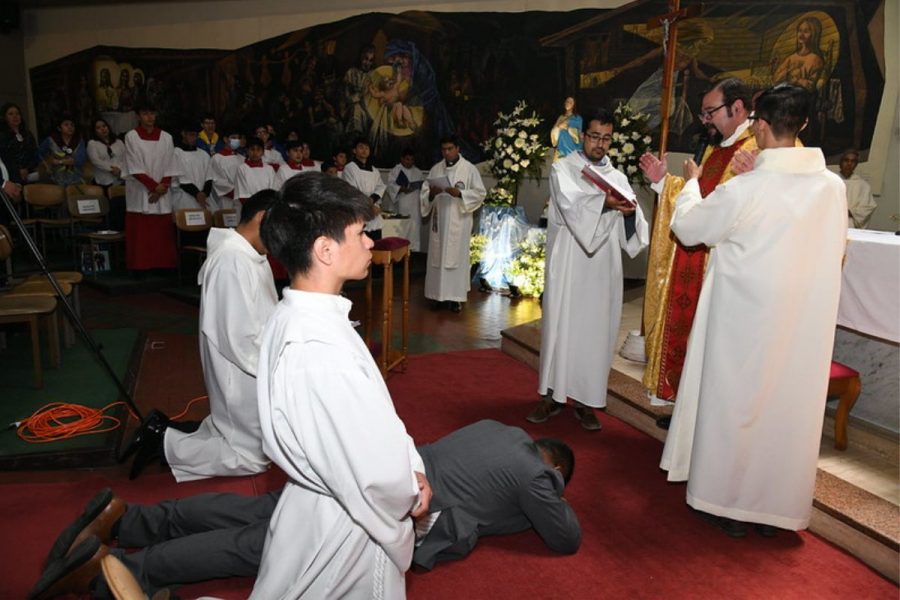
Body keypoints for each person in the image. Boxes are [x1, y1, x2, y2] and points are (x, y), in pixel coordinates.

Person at [30, 420, 579, 599]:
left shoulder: (497, 431)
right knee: (259, 546)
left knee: (252, 513)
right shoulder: (536, 475)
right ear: (552, 470)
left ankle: (127, 521)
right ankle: (122, 575)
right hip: (386, 505)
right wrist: (551, 492)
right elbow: (565, 538)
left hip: (363, 468)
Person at [660, 84, 847, 537]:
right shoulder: (832, 188)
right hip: (801, 324)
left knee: (735, 408)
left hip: (743, 322)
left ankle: (722, 502)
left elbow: (688, 229)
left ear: (759, 125)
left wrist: (690, 186)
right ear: (803, 125)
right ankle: (775, 511)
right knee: (785, 410)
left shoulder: (748, 187)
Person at [247, 172, 430, 599]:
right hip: (346, 522)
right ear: (325, 249)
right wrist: (408, 487)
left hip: (330, 506)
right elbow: (366, 468)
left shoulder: (309, 315)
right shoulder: (315, 345)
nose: (370, 242)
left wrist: (412, 461)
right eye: (360, 232)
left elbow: (376, 418)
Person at [122, 190, 280, 482]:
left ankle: (171, 431)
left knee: (254, 439)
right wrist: (280, 368)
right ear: (263, 218)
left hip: (254, 361)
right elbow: (238, 338)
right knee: (251, 457)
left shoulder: (251, 254)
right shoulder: (233, 260)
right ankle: (162, 442)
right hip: (242, 367)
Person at [638, 78, 757, 421]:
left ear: (737, 108)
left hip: (725, 269)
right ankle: (688, 409)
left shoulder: (755, 151)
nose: (705, 120)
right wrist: (665, 181)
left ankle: (706, 416)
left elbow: (720, 208)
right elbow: (701, 196)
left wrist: (687, 186)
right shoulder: (718, 148)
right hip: (696, 261)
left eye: (710, 112)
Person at [527, 108, 648, 431]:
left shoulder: (618, 177)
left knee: (595, 332)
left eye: (606, 138)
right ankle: (551, 396)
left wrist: (627, 212)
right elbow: (571, 207)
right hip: (569, 264)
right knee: (561, 327)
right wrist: (605, 204)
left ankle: (587, 401)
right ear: (583, 136)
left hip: (602, 270)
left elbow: (635, 229)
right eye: (595, 136)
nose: (600, 144)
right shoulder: (564, 170)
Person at [420, 134, 486, 313]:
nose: (447, 152)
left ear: (458, 149)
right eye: (444, 149)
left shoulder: (469, 169)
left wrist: (461, 194)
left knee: (457, 258)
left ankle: (455, 299)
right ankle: (438, 297)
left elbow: (480, 193)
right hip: (439, 221)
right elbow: (425, 195)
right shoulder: (435, 170)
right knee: (437, 258)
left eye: (450, 149)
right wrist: (431, 194)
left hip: (459, 220)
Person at [123, 103, 178, 272]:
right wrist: (154, 187)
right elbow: (134, 166)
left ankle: (163, 265)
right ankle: (140, 266)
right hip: (140, 189)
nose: (149, 117)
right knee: (141, 232)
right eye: (145, 113)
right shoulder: (131, 136)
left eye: (152, 113)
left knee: (161, 231)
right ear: (139, 116)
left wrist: (163, 186)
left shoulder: (166, 137)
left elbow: (171, 164)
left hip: (161, 190)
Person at [341, 136, 386, 240]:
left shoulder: (374, 170)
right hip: (358, 213)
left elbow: (380, 187)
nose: (364, 150)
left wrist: (372, 202)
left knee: (376, 249)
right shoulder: (350, 168)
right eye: (361, 147)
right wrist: (368, 205)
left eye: (367, 148)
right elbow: (351, 190)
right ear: (354, 150)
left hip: (373, 214)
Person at [385, 147, 425, 251]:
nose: (410, 162)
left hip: (414, 207)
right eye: (407, 159)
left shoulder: (418, 172)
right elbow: (390, 186)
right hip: (401, 205)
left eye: (412, 160)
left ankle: (414, 253)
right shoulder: (396, 170)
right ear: (402, 159)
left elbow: (423, 188)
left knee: (414, 232)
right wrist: (401, 189)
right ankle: (400, 254)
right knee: (401, 231)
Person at [170, 122, 213, 210]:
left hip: (204, 198)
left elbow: (209, 177)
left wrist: (204, 193)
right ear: (183, 134)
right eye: (191, 135)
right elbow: (180, 178)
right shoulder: (176, 153)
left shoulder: (204, 154)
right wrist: (197, 194)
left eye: (196, 135)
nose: (193, 138)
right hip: (184, 197)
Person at [39, 114, 87, 187]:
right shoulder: (51, 140)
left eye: (72, 125)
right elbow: (38, 153)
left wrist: (60, 161)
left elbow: (81, 159)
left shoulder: (79, 141)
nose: (70, 127)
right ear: (59, 128)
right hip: (55, 179)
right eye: (66, 125)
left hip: (76, 179)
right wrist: (46, 164)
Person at [0, 102, 40, 185]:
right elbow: (5, 157)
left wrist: (27, 168)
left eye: (17, 113)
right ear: (5, 117)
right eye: (10, 114)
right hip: (11, 176)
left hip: (30, 174)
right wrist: (18, 170)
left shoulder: (28, 134)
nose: (15, 116)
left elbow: (35, 154)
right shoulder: (2, 136)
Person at [207, 128, 244, 211]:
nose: (237, 140)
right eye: (233, 138)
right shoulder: (217, 158)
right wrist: (235, 192)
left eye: (238, 138)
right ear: (225, 139)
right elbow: (217, 180)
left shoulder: (242, 158)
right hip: (226, 199)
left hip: (242, 199)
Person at [839, 149, 877, 228]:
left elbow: (869, 206)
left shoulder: (863, 185)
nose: (849, 164)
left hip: (850, 224)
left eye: (853, 161)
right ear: (840, 162)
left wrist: (851, 212)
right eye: (846, 160)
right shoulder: (831, 181)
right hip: (831, 221)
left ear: (856, 165)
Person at [86, 118, 125, 188]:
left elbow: (125, 158)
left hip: (120, 177)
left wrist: (119, 169)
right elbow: (96, 161)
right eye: (98, 128)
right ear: (94, 131)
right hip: (103, 180)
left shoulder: (119, 142)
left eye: (104, 126)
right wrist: (111, 169)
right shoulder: (92, 143)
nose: (103, 129)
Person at [234, 137, 275, 203]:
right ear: (247, 151)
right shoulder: (242, 168)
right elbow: (242, 194)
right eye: (252, 149)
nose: (255, 153)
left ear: (263, 152)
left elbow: (272, 191)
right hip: (249, 207)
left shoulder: (269, 169)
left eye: (258, 150)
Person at [550, 96, 582, 161]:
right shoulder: (561, 117)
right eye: (567, 101)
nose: (568, 103)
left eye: (571, 102)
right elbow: (553, 131)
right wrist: (558, 128)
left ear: (574, 105)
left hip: (571, 148)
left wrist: (567, 127)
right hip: (560, 148)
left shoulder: (577, 118)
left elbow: (578, 134)